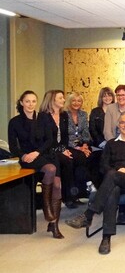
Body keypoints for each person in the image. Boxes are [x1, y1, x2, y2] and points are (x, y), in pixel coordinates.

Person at [65, 114, 125, 255]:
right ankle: (106, 238)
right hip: (113, 181)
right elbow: (103, 166)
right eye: (123, 123)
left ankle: (89, 214)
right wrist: (116, 172)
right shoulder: (111, 143)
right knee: (113, 191)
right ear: (118, 125)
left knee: (112, 176)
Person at [8, 90, 64, 239]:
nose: (31, 104)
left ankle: (54, 225)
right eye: (27, 101)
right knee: (50, 170)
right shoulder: (14, 122)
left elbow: (49, 140)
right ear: (21, 103)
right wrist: (23, 155)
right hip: (28, 159)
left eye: (33, 101)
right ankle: (47, 208)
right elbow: (13, 146)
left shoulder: (43, 118)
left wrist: (37, 152)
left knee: (57, 185)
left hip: (45, 154)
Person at [38, 90, 87, 209]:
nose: (64, 100)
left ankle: (76, 193)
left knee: (80, 157)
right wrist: (61, 150)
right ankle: (67, 197)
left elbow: (65, 137)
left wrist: (65, 148)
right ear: (52, 100)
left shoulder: (64, 115)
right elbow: (47, 139)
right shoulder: (43, 116)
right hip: (48, 150)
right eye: (60, 98)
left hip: (62, 147)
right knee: (67, 161)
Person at [65, 92, 99, 197]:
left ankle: (84, 190)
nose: (76, 103)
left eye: (79, 101)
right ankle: (89, 184)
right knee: (81, 158)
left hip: (82, 144)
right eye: (74, 100)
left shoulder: (83, 114)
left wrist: (84, 145)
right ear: (69, 102)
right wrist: (77, 147)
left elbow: (85, 132)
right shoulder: (64, 115)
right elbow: (63, 134)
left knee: (95, 156)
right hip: (68, 145)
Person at [89, 87, 115, 189]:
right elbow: (92, 129)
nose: (107, 98)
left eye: (109, 95)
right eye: (104, 96)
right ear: (101, 98)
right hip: (99, 145)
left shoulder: (116, 110)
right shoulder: (96, 111)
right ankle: (99, 188)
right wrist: (102, 143)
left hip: (114, 144)